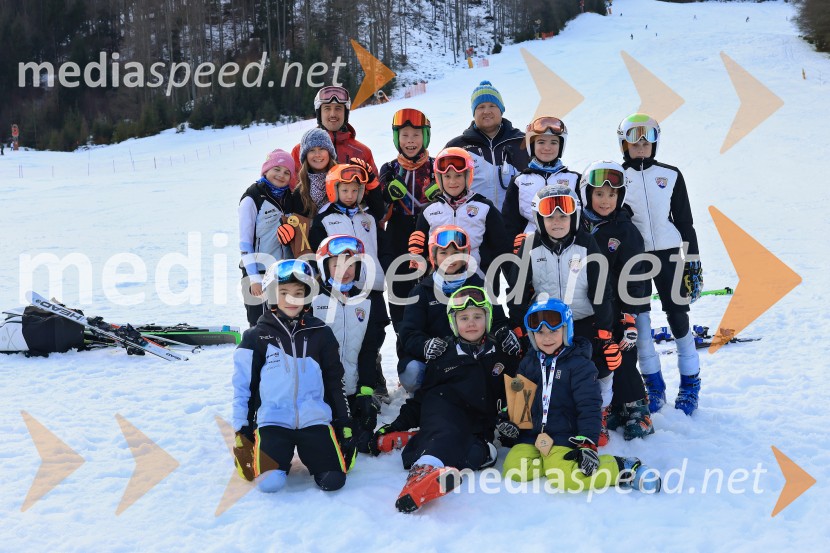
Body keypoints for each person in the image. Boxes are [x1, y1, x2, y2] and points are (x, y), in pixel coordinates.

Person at [370, 286, 519, 512]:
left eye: (478, 317)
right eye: (464, 318)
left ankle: (419, 444)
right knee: (446, 432)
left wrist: (510, 419)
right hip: (443, 410)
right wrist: (396, 424)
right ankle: (421, 474)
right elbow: (420, 399)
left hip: (476, 423)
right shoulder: (444, 354)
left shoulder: (499, 355)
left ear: (488, 319)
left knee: (484, 452)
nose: (471, 323)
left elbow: (511, 394)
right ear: (453, 322)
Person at [499, 297, 661, 493]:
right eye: (540, 332)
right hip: (534, 435)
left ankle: (624, 467)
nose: (546, 338)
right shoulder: (528, 362)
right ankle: (552, 462)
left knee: (565, 478)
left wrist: (587, 443)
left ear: (566, 330)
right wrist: (512, 421)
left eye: (553, 331)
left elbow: (589, 406)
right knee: (514, 468)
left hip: (565, 436)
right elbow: (520, 400)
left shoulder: (580, 365)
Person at [506, 185, 621, 439]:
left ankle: (600, 411)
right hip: (545, 323)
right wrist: (518, 327)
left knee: (600, 362)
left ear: (574, 217)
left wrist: (605, 330)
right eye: (550, 217)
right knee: (527, 365)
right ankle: (522, 418)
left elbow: (601, 290)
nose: (557, 222)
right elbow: (516, 290)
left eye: (563, 216)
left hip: (581, 319)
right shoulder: (530, 247)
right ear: (539, 219)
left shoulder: (586, 243)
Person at [231, 259, 355, 492]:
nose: (291, 299)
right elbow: (244, 387)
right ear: (271, 294)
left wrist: (344, 424)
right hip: (273, 421)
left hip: (314, 419)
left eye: (299, 293)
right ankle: (266, 450)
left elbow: (334, 381)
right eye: (284, 292)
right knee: (270, 483)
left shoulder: (321, 333)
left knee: (333, 480)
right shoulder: (255, 337)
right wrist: (242, 430)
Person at [617, 113, 702, 415]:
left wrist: (692, 260)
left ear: (655, 143)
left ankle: (690, 382)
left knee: (678, 317)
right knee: (640, 323)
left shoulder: (671, 174)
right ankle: (653, 386)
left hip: (668, 255)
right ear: (623, 143)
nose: (640, 146)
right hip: (634, 259)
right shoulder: (617, 176)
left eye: (647, 140)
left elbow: (685, 222)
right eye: (634, 140)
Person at [577, 161, 653, 442]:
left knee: (621, 354)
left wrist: (630, 314)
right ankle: (605, 405)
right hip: (587, 305)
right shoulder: (577, 226)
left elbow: (636, 275)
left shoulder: (625, 230)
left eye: (612, 194)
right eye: (599, 194)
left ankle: (637, 407)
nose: (605, 201)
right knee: (596, 355)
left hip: (619, 306)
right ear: (587, 194)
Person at [397, 226, 520, 392]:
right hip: (436, 361)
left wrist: (504, 333)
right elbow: (409, 333)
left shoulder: (479, 285)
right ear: (433, 256)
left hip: (472, 354)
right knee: (412, 372)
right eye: (443, 253)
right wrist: (425, 345)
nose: (450, 259)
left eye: (455, 253)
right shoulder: (421, 291)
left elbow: (497, 320)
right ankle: (425, 396)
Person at [308, 163, 390, 396]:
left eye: (355, 190)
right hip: (343, 286)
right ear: (334, 190)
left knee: (376, 330)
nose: (350, 195)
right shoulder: (324, 218)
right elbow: (318, 251)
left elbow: (382, 247)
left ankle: (373, 374)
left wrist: (384, 269)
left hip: (371, 285)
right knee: (347, 332)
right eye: (345, 190)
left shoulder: (369, 218)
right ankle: (340, 382)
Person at [311, 235, 383, 453]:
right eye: (337, 264)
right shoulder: (312, 301)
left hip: (350, 392)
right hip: (318, 394)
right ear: (325, 267)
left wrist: (365, 392)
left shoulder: (366, 302)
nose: (346, 269)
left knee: (362, 442)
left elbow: (369, 352)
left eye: (351, 264)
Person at [410, 147, 511, 289]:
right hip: (438, 286)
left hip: (478, 283)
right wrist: (417, 257)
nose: (452, 182)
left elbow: (502, 248)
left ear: (468, 176)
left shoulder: (485, 208)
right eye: (447, 176)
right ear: (439, 178)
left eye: (458, 175)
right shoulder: (429, 211)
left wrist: (513, 282)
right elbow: (421, 252)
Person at [377, 109, 439, 329]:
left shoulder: (436, 167)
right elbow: (377, 210)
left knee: (432, 294)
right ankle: (404, 349)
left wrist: (439, 196)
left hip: (430, 236)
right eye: (404, 135)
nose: (410, 141)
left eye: (416, 135)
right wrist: (386, 196)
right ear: (396, 138)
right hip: (398, 237)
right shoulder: (389, 169)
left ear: (425, 137)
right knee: (400, 296)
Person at [444, 80, 530, 209]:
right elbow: (442, 183)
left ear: (501, 110)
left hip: (517, 223)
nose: (486, 111)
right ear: (474, 113)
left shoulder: (523, 142)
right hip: (473, 222)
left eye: (492, 105)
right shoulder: (457, 147)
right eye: (480, 107)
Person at [238, 149, 298, 327]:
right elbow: (245, 243)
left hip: (284, 273)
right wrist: (254, 279)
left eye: (287, 172)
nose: (281, 175)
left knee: (285, 324)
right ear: (266, 170)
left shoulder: (290, 197)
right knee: (260, 326)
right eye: (277, 169)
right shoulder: (252, 197)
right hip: (258, 272)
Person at [502, 116, 580, 239]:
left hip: (567, 244)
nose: (547, 148)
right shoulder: (520, 181)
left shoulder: (574, 179)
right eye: (541, 142)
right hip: (530, 244)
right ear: (532, 146)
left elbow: (581, 218)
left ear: (561, 146)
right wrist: (513, 245)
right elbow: (510, 222)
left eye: (553, 142)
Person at [291, 85, 378, 177]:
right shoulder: (300, 151)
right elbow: (290, 188)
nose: (333, 114)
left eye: (338, 108)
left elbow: (375, 188)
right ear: (319, 114)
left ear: (346, 113)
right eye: (327, 108)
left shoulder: (362, 152)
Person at [292, 128, 338, 219]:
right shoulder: (300, 192)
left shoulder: (343, 179)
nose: (317, 154)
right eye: (311, 150)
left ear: (329, 152)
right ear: (305, 156)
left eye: (322, 148)